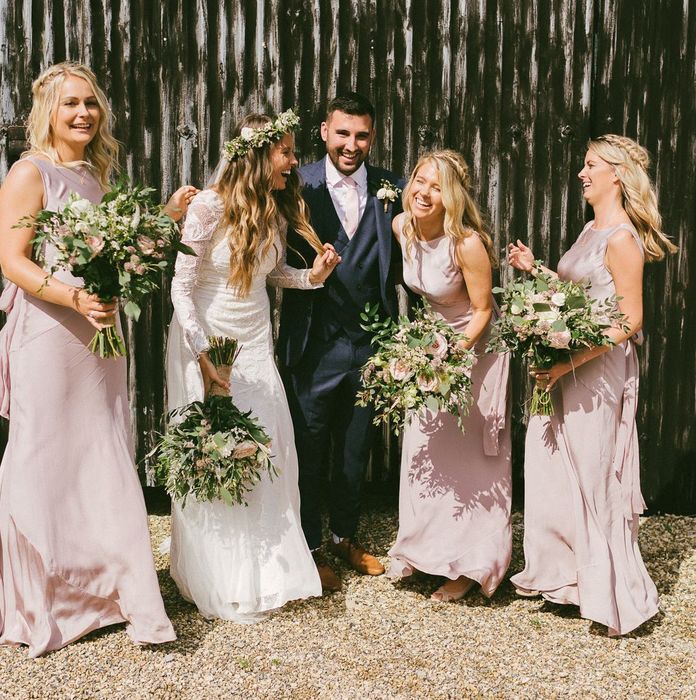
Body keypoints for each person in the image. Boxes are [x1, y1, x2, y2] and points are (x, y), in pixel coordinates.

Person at [0, 62, 192, 657]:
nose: (84, 113)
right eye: (70, 105)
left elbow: (115, 250)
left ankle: (109, 592)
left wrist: (160, 223)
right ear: (48, 113)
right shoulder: (30, 172)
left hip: (100, 343)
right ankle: (45, 598)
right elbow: (12, 259)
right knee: (43, 455)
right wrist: (74, 297)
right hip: (51, 337)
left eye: (91, 104)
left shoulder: (96, 176)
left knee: (102, 454)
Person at [166, 110, 341, 621]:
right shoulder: (208, 207)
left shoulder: (274, 210)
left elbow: (273, 275)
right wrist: (203, 356)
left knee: (267, 442)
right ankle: (218, 571)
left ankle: (267, 569)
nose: (294, 161)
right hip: (208, 339)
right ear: (260, 154)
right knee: (214, 448)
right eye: (286, 151)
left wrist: (315, 276)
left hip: (257, 340)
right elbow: (181, 285)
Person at [508, 134, 677, 635]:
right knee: (558, 469)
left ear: (617, 175)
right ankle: (571, 580)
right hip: (568, 363)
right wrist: (535, 270)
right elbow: (578, 297)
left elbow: (628, 320)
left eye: (590, 166)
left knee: (596, 472)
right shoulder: (589, 230)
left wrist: (568, 363)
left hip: (596, 373)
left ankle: (618, 598)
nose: (581, 174)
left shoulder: (622, 239)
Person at [278, 93, 406, 591]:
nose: (352, 145)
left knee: (356, 449)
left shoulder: (391, 185)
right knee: (310, 450)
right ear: (324, 131)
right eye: (343, 133)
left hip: (370, 342)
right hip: (313, 343)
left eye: (362, 135)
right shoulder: (294, 181)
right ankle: (310, 547)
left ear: (371, 137)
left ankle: (344, 537)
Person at [386, 150, 513, 602]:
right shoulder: (402, 226)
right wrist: (425, 353)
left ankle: (468, 565)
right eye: (420, 180)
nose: (424, 192)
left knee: (470, 460)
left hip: (473, 350)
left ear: (451, 196)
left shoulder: (467, 243)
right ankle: (423, 550)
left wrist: (450, 358)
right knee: (425, 447)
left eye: (436, 187)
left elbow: (482, 311)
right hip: (432, 346)